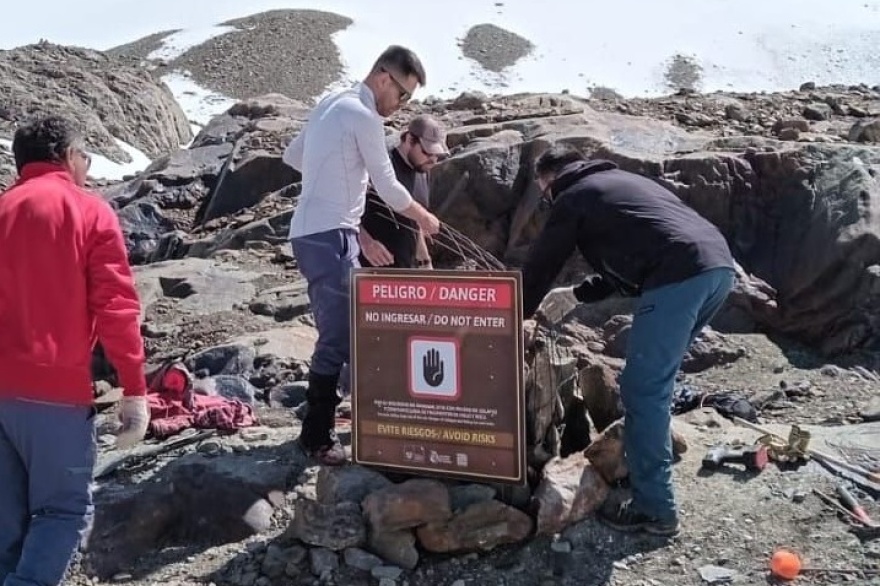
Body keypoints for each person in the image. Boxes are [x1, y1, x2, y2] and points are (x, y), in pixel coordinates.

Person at [520, 145, 735, 537]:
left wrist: (515, 312)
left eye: (542, 189)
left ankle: (655, 509)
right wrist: (577, 294)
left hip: (679, 277)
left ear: (550, 179)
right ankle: (642, 461)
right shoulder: (622, 182)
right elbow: (635, 254)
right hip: (719, 268)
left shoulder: (572, 195)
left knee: (642, 389)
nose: (545, 197)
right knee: (657, 382)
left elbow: (540, 264)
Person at [0, 116, 149, 586]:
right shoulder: (89, 210)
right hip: (56, 395)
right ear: (67, 157)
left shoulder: (2, 208)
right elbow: (117, 307)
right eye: (84, 154)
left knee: (6, 522)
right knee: (61, 512)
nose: (87, 164)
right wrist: (135, 390)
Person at [282, 45, 441, 466]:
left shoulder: (332, 104)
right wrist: (422, 216)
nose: (401, 104)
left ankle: (358, 418)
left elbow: (292, 156)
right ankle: (316, 437)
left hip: (315, 232)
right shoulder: (364, 115)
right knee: (340, 335)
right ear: (384, 78)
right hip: (331, 234)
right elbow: (388, 188)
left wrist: (331, 176)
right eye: (403, 94)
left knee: (353, 329)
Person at [358, 114, 449, 270]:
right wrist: (366, 243)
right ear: (409, 139)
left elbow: (415, 219)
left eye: (437, 155)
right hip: (367, 269)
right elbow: (343, 211)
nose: (433, 160)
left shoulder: (422, 169)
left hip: (403, 270)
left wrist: (425, 261)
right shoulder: (382, 166)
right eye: (427, 152)